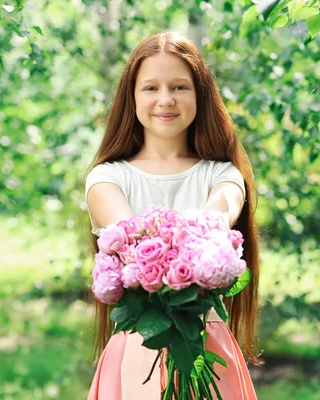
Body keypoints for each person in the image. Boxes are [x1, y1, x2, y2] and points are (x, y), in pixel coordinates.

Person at [83, 30, 261, 400]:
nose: (165, 99)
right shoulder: (107, 178)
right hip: (137, 351)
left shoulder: (223, 175)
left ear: (200, 95)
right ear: (131, 97)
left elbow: (218, 219)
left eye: (180, 87)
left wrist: (198, 240)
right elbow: (130, 237)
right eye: (151, 88)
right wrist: (193, 246)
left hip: (207, 350)